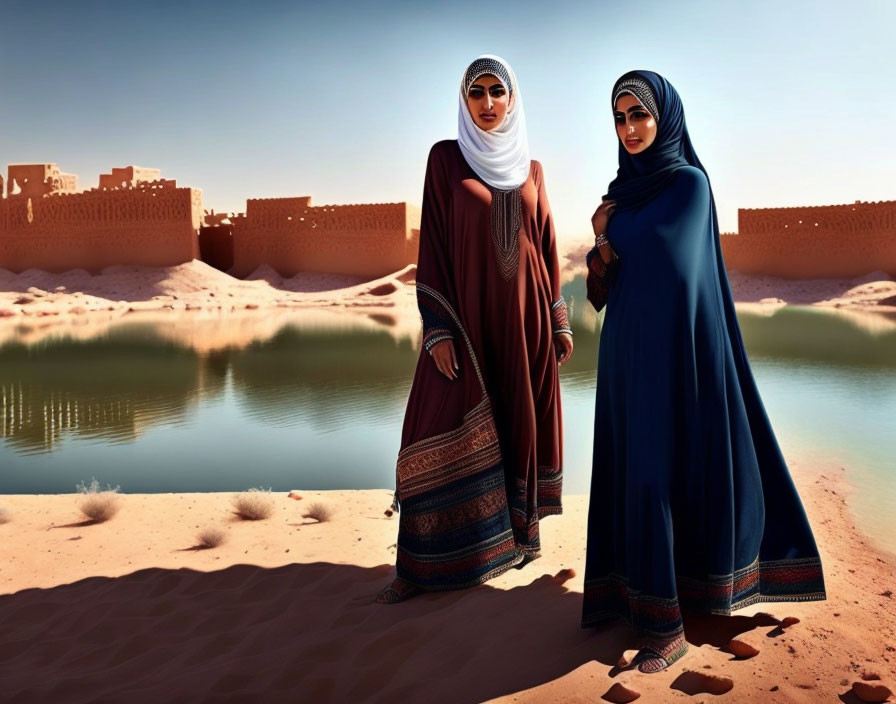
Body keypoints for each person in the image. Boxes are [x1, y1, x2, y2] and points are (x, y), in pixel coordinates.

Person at [581, 70, 826, 672]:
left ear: (664, 115)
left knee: (659, 474)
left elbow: (669, 264)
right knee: (635, 472)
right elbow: (606, 286)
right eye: (620, 117)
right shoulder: (621, 192)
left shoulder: (688, 185)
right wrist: (603, 245)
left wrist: (610, 231)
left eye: (640, 114)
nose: (631, 128)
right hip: (626, 357)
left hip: (678, 357)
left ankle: (668, 625)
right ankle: (634, 598)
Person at [376, 54, 572, 604]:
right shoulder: (445, 160)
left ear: (512, 99)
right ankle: (419, 568)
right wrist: (437, 329)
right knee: (434, 425)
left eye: (497, 91)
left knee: (517, 427)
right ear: (464, 100)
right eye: (477, 92)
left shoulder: (533, 170)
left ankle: (512, 544)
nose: (487, 103)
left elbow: (547, 245)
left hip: (526, 325)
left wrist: (558, 321)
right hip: (465, 321)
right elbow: (433, 245)